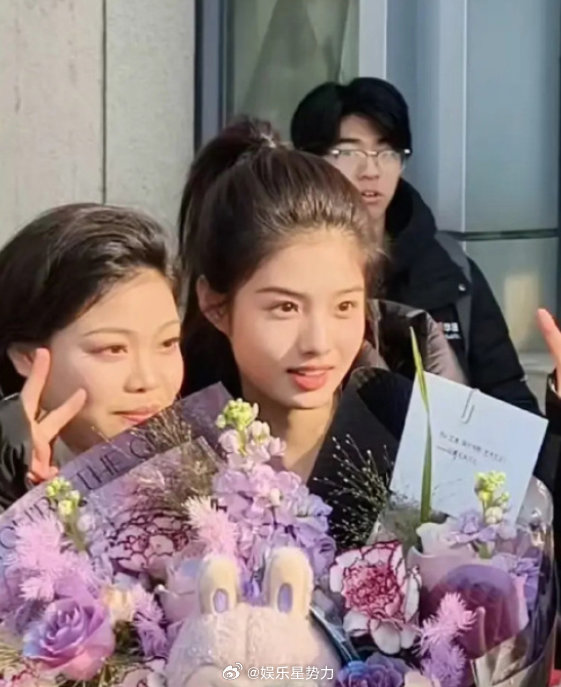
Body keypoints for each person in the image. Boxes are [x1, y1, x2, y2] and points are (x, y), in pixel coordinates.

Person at [178, 118, 556, 548]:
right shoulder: (173, 469)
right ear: (216, 305)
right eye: (285, 307)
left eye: (344, 306)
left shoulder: (428, 441)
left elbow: (525, 540)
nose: (318, 342)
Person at [290, 77, 540, 415]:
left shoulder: (451, 269)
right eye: (348, 152)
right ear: (308, 161)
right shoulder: (282, 269)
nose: (371, 170)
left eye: (387, 153)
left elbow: (509, 399)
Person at [0, 204, 184, 509]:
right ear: (26, 357)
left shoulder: (230, 478)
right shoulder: (10, 486)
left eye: (167, 342)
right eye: (113, 349)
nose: (148, 380)